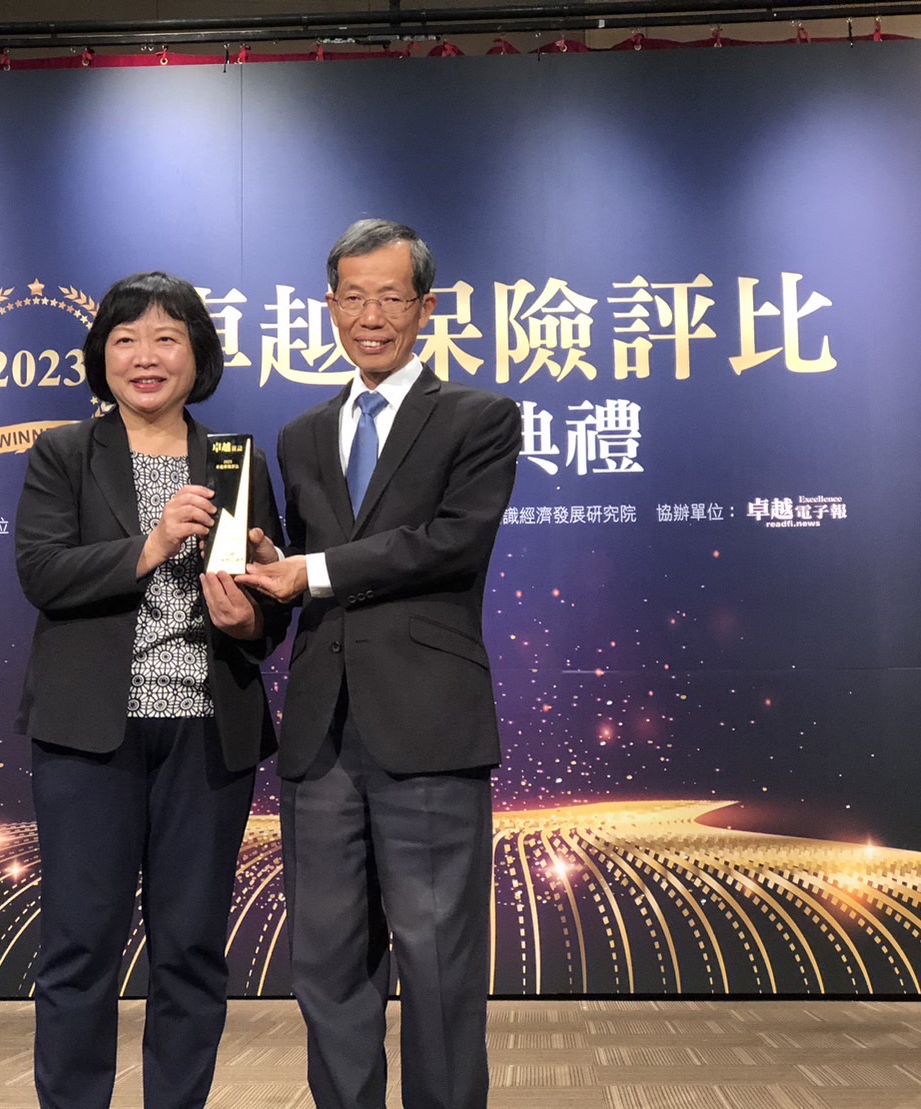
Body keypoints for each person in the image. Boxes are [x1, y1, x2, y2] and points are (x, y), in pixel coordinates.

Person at [237, 220, 520, 1109]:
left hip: (427, 727)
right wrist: (262, 585)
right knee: (325, 966)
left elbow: (451, 542)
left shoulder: (478, 418)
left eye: (391, 297)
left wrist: (312, 569)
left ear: (424, 308)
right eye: (353, 298)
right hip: (319, 737)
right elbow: (296, 576)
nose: (371, 316)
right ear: (328, 306)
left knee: (438, 963)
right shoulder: (300, 435)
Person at [13, 271, 287, 1109]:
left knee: (191, 948)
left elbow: (268, 611)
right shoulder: (65, 453)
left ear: (197, 355)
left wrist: (249, 615)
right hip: (91, 736)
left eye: (167, 338)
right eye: (126, 338)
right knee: (81, 945)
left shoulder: (235, 461)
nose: (145, 355)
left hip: (206, 735)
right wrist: (152, 541)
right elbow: (42, 572)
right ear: (101, 355)